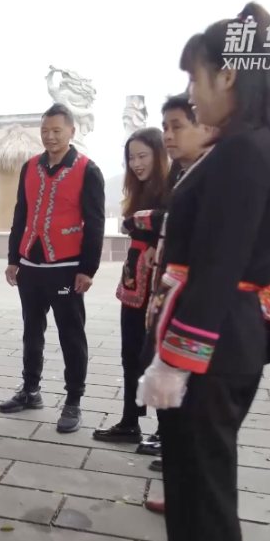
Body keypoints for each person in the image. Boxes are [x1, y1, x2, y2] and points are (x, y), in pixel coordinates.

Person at [135, 3, 270, 541]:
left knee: (203, 491)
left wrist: (175, 361)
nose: (192, 93)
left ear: (228, 75)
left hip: (213, 341)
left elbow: (218, 266)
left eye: (195, 78)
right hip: (226, 334)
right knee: (192, 482)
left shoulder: (243, 151)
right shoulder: (259, 143)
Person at [0, 103, 106, 434]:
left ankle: (73, 400)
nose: (50, 136)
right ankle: (30, 390)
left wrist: (88, 269)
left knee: (71, 334)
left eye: (57, 131)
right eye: (45, 130)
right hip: (30, 264)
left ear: (71, 131)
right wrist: (13, 258)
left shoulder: (88, 170)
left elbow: (96, 223)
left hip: (66, 266)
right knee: (32, 330)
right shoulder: (30, 167)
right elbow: (21, 213)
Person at [143, 93, 215, 481]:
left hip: (194, 306)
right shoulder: (182, 175)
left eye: (177, 126)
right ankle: (176, 470)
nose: (168, 136)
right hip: (168, 295)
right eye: (165, 127)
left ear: (204, 128)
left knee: (191, 399)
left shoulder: (213, 176)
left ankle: (187, 484)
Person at [92, 128, 170, 446]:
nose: (136, 163)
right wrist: (141, 222)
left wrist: (137, 221)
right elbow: (140, 222)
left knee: (159, 356)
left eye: (142, 156)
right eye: (131, 158)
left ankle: (166, 429)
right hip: (134, 282)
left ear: (159, 155)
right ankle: (130, 421)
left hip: (160, 286)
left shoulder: (173, 187)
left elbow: (169, 219)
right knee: (131, 354)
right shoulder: (138, 190)